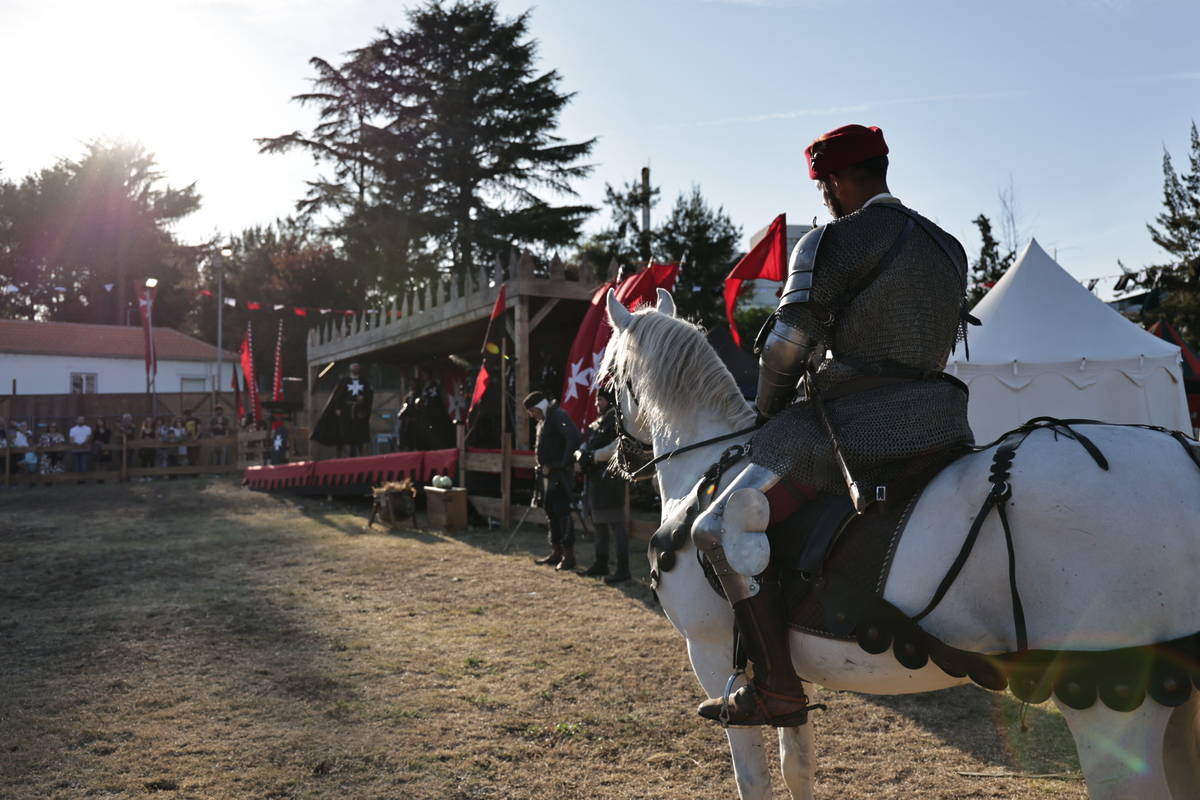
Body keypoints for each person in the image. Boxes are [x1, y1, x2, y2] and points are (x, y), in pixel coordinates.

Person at [691, 124, 974, 727]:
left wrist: (767, 413)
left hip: (851, 423)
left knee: (717, 528)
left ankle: (776, 686)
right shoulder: (949, 245)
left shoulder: (832, 241)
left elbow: (787, 346)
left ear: (837, 180)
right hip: (942, 421)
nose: (825, 198)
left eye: (824, 186)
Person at [574, 389, 631, 584]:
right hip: (596, 479)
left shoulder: (617, 419)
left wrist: (594, 456)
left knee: (616, 525)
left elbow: (619, 445)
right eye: (597, 399)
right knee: (598, 523)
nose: (597, 403)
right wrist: (581, 453)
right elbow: (587, 442)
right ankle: (601, 562)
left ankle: (623, 569)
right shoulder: (599, 421)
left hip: (610, 479)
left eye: (601, 399)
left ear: (609, 400)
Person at [524, 391, 582, 570]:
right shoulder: (543, 420)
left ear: (539, 406)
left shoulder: (558, 415)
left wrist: (561, 464)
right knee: (551, 513)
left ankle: (568, 556)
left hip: (560, 475)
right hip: (546, 476)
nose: (532, 415)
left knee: (562, 513)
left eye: (533, 410)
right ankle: (557, 552)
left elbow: (573, 437)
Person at [311, 362, 374, 457]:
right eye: (353, 367)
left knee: (359, 432)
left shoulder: (364, 381)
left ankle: (360, 454)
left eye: (357, 367)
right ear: (350, 369)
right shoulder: (344, 381)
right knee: (343, 432)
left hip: (358, 410)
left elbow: (369, 394)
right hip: (346, 411)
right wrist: (337, 408)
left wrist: (364, 400)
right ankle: (341, 453)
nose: (355, 368)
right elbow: (338, 395)